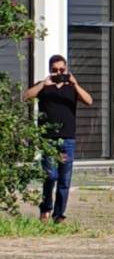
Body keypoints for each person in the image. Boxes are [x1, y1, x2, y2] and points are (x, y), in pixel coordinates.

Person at [22, 55, 93, 223]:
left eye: (62, 70)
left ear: (66, 69)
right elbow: (26, 96)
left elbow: (89, 101)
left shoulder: (71, 88)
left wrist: (75, 84)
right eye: (55, 70)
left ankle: (59, 215)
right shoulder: (44, 86)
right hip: (48, 140)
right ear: (50, 70)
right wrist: (43, 84)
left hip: (67, 140)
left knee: (64, 180)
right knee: (50, 176)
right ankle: (46, 207)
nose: (59, 73)